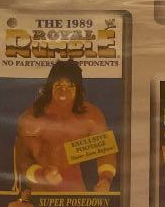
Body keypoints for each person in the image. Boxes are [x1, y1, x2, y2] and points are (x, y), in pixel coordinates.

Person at [15, 59, 116, 193]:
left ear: (78, 89)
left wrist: (105, 179)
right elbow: (22, 158)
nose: (63, 91)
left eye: (70, 86)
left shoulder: (90, 116)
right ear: (50, 88)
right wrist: (42, 174)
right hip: (41, 186)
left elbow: (106, 152)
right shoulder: (33, 117)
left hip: (73, 184)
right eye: (58, 85)